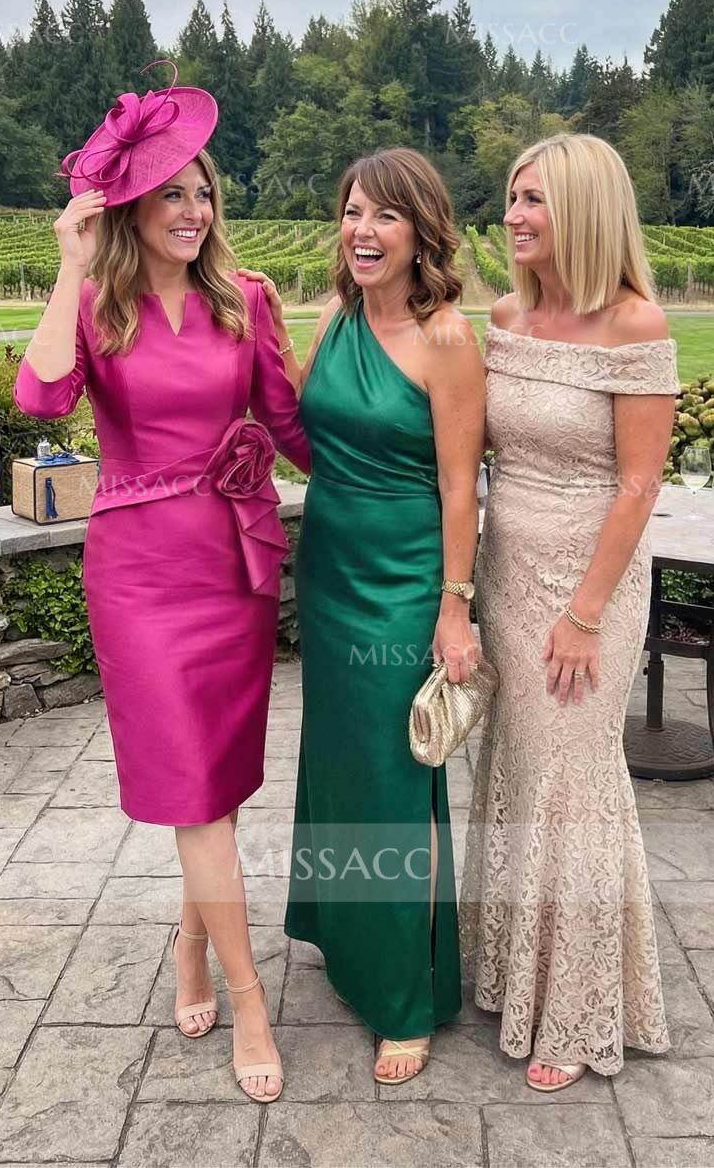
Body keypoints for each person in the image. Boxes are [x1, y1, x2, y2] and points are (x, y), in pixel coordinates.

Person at [13, 62, 310, 1104]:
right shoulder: (96, 306)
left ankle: (190, 947)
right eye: (171, 193)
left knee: (213, 791)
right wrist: (69, 265)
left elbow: (292, 429)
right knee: (193, 790)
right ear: (129, 208)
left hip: (232, 564)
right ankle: (249, 998)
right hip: (138, 576)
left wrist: (418, 475)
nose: (193, 210)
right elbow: (42, 400)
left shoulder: (246, 299)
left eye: (203, 192)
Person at [242, 148, 485, 1084]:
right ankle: (350, 946)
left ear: (422, 230)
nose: (363, 230)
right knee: (341, 765)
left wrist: (454, 608)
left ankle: (405, 996)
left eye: (385, 214)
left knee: (394, 779)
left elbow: (461, 487)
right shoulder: (337, 315)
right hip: (332, 567)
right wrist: (266, 336)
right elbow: (309, 438)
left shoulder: (448, 339)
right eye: (352, 212)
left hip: (405, 577)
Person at [459, 132, 676, 1090]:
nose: (513, 215)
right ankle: (517, 973)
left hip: (590, 588)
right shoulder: (507, 316)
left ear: (585, 209)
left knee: (573, 781)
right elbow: (471, 449)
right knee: (516, 764)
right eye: (513, 196)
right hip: (507, 572)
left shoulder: (635, 324)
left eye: (534, 199)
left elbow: (639, 485)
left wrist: (585, 614)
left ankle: (580, 1009)